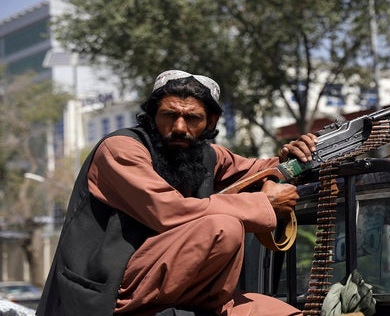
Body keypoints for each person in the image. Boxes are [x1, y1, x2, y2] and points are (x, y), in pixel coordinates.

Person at [37, 70, 317, 316]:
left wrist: (293, 157)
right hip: (111, 291)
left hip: (179, 290)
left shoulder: (207, 156)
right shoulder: (121, 150)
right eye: (169, 115)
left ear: (211, 121)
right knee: (223, 226)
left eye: (192, 118)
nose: (180, 128)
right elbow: (168, 211)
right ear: (151, 116)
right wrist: (263, 204)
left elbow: (261, 172)